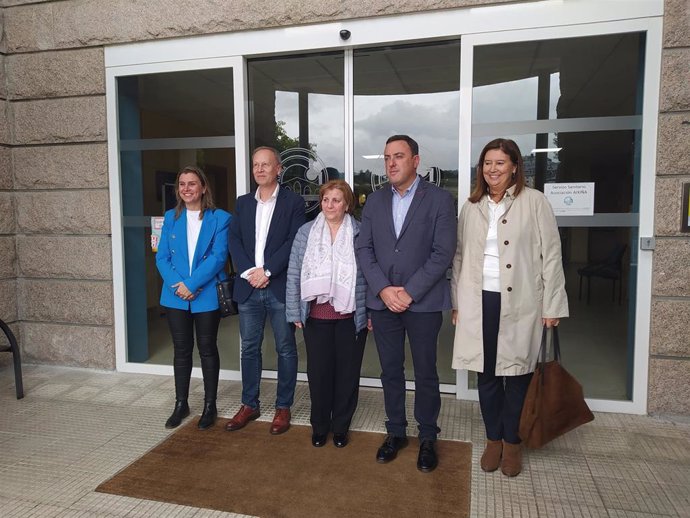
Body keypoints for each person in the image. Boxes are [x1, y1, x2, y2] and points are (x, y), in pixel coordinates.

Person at [451, 138, 569, 477]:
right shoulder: (471, 205)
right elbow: (459, 256)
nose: (492, 170)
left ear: (515, 166)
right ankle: (493, 440)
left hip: (521, 302)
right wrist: (457, 301)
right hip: (479, 300)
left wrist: (553, 305)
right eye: (487, 163)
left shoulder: (535, 202)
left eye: (500, 163)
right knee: (486, 375)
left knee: (517, 375)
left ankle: (512, 443)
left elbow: (552, 255)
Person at [356, 135, 457, 473]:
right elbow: (364, 250)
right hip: (383, 303)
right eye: (387, 158)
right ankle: (396, 431)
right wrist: (384, 290)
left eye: (398, 156)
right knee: (390, 371)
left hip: (424, 303)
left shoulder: (440, 200)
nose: (391, 163)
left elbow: (442, 253)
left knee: (427, 372)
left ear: (416, 160)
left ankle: (428, 436)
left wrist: (409, 292)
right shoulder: (374, 201)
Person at [226, 146, 306, 435]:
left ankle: (283, 407)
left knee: (285, 349)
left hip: (279, 287)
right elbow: (234, 240)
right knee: (249, 348)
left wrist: (268, 271)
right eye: (255, 165)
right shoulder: (243, 203)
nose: (259, 170)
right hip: (249, 287)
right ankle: (250, 404)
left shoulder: (293, 202)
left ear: (278, 169)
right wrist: (250, 272)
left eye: (265, 165)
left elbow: (294, 241)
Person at [286, 180, 369, 448]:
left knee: (347, 375)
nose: (330, 205)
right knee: (319, 374)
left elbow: (369, 276)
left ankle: (341, 426)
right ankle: (320, 425)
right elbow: (294, 273)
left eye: (336, 200)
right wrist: (293, 310)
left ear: (347, 204)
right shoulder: (306, 232)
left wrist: (370, 313)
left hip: (350, 317)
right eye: (325, 200)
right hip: (316, 316)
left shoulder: (360, 232)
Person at [156, 165, 231, 430]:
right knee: (181, 351)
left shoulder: (220, 218)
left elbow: (219, 257)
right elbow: (162, 257)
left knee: (208, 350)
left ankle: (210, 405)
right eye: (182, 184)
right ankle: (181, 403)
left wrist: (192, 284)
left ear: (203, 188)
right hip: (176, 295)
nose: (186, 188)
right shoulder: (170, 217)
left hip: (206, 294)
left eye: (192, 183)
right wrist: (180, 286)